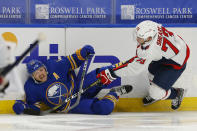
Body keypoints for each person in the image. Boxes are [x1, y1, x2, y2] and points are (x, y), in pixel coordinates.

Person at [13, 45, 132, 115]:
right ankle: (115, 92)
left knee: (104, 73)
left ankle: (129, 67)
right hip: (73, 105)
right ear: (32, 76)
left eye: (41, 70)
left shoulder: (54, 66)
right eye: (36, 72)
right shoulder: (30, 88)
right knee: (104, 108)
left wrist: (83, 52)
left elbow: (73, 60)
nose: (40, 73)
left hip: (80, 87)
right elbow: (35, 108)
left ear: (45, 68)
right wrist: (22, 108)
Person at [97, 20, 190, 110]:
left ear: (149, 38)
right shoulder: (152, 26)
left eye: (140, 38)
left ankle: (176, 93)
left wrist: (112, 73)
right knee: (151, 74)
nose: (137, 39)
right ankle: (157, 90)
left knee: (155, 92)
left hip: (176, 63)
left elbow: (133, 68)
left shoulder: (149, 51)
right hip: (171, 51)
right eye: (137, 36)